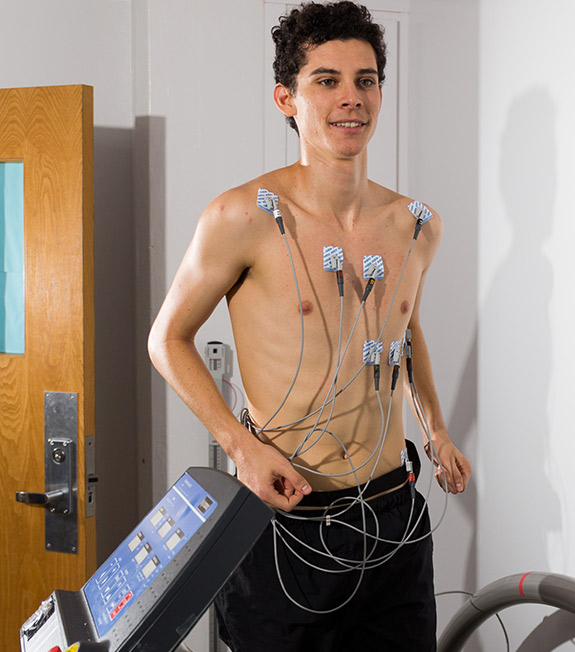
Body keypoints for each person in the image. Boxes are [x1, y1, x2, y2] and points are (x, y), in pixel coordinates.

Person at [147, 1, 471, 649]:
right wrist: (242, 447)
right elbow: (167, 340)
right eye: (326, 80)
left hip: (391, 514)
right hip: (285, 518)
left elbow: (400, 329)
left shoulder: (416, 224)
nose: (351, 98)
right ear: (286, 98)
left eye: (366, 79)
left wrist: (435, 428)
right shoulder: (239, 216)